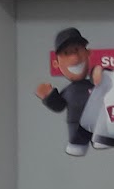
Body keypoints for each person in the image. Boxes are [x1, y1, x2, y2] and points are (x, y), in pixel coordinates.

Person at [34, 26, 103, 156]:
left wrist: (101, 76)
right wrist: (48, 96)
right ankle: (78, 144)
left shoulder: (93, 83)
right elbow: (59, 106)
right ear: (56, 63)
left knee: (100, 135)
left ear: (88, 53)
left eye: (77, 50)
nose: (74, 58)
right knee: (77, 143)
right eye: (67, 53)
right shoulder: (68, 91)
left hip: (96, 122)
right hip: (75, 125)